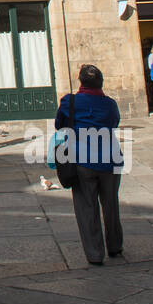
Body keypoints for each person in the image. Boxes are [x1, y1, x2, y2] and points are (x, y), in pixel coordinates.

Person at [55, 64, 125, 266]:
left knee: (86, 206)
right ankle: (114, 245)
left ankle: (95, 253)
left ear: (81, 82)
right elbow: (114, 123)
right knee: (111, 204)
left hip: (82, 159)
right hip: (110, 159)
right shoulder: (109, 103)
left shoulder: (70, 101)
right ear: (100, 82)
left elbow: (59, 124)